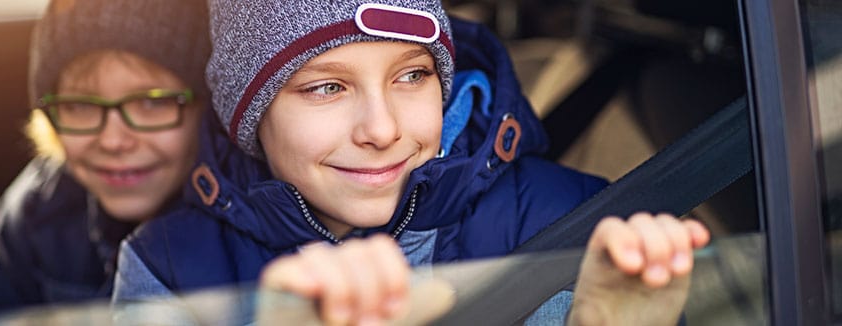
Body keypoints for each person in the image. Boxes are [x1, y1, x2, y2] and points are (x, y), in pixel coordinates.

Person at [113, 0, 710, 325]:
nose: (382, 129)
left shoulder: (579, 226)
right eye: (327, 87)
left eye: (412, 75)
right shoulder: (168, 268)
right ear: (250, 116)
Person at [0, 0, 210, 315]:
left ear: (208, 110)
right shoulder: (39, 211)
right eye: (81, 106)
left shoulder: (244, 226)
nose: (113, 140)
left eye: (152, 103)